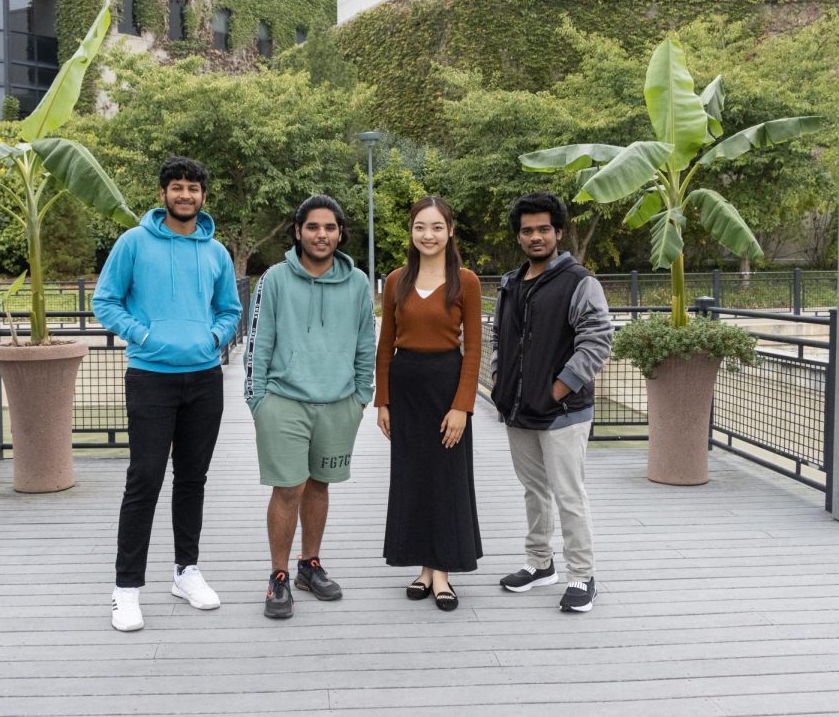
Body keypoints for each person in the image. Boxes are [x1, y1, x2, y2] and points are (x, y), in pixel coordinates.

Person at [93, 156, 243, 632]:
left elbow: (229, 309)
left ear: (203, 196)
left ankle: (186, 571)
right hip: (150, 376)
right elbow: (105, 300)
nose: (185, 195)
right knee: (145, 480)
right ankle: (126, 590)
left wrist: (213, 339)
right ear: (163, 194)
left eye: (193, 188)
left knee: (192, 480)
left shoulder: (216, 252)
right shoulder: (134, 243)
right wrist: (144, 336)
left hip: (203, 379)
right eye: (176, 187)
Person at [243, 194, 375, 620]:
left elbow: (364, 345)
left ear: (340, 233)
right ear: (298, 232)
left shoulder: (357, 283)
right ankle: (278, 576)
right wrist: (257, 401)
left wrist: (361, 397)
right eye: (313, 227)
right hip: (283, 401)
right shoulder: (275, 279)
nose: (322, 234)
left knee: (320, 485)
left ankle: (309, 565)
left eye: (330, 227)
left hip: (339, 404)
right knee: (288, 489)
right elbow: (258, 343)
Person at [491, 191, 612, 613]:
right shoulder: (510, 283)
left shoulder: (580, 282)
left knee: (568, 494)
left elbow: (598, 339)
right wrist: (498, 378)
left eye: (544, 229)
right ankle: (539, 563)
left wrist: (559, 387)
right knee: (533, 492)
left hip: (563, 412)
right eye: (527, 231)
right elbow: (498, 338)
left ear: (558, 232)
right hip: (518, 410)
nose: (536, 236)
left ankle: (582, 574)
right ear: (519, 237)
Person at [375, 196, 483, 612]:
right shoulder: (397, 279)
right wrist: (382, 400)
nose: (429, 235)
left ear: (450, 231)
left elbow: (472, 349)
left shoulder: (466, 281)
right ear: (412, 231)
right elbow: (386, 345)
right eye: (421, 227)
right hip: (405, 390)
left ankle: (443, 573)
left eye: (437, 227)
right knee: (413, 477)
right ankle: (423, 568)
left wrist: (463, 407)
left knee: (446, 478)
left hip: (446, 387)